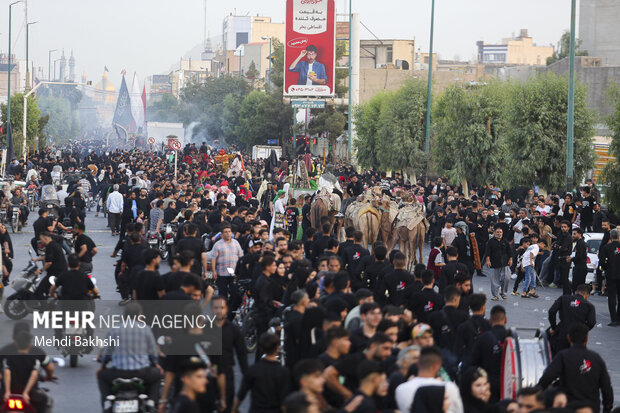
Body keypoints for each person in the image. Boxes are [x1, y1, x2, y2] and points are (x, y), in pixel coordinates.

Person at [538, 323, 613, 413]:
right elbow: (606, 387)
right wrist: (607, 408)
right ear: (587, 339)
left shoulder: (563, 356)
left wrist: (536, 392)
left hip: (567, 407)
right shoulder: (596, 358)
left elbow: (548, 377)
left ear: (569, 337)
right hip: (591, 407)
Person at [97, 303, 163, 406]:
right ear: (140, 315)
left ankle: (107, 402)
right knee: (158, 376)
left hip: (118, 373)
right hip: (142, 373)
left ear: (124, 316)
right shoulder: (146, 329)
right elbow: (153, 353)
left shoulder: (115, 329)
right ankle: (151, 401)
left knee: (101, 376)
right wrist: (156, 364)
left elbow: (106, 353)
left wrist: (102, 365)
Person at [231, 332, 290, 413]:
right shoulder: (283, 372)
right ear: (277, 348)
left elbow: (241, 394)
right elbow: (284, 399)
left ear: (261, 348)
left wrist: (235, 408)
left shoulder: (253, 370)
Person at [394, 346, 463, 413]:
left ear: (417, 364)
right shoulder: (448, 387)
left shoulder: (401, 389)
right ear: (437, 366)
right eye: (445, 398)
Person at [210, 296, 248, 413]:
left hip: (227, 374)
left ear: (226, 309)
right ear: (211, 309)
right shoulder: (205, 328)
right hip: (208, 376)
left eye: (221, 307)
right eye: (216, 308)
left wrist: (246, 378)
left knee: (226, 407)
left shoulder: (233, 330)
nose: (219, 310)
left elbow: (242, 355)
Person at [470, 305, 508, 402]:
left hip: (488, 381)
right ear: (505, 320)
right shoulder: (511, 337)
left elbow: (474, 361)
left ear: (490, 321)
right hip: (507, 382)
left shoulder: (483, 337)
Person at [548, 284, 596, 354]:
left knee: (558, 355)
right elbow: (591, 322)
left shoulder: (563, 298)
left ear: (575, 292)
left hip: (563, 332)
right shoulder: (589, 306)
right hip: (578, 336)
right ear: (587, 295)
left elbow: (552, 311)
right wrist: (584, 329)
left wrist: (553, 327)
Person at [33, 231, 68, 299]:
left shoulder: (50, 246)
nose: (40, 241)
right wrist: (37, 259)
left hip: (55, 274)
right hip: (60, 272)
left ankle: (44, 308)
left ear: (45, 239)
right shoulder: (54, 244)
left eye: (41, 239)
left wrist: (40, 270)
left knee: (39, 291)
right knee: (47, 291)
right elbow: (49, 257)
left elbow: (49, 263)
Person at [598, 229, 620, 326]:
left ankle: (614, 318)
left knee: (611, 297)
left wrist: (606, 268)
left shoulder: (606, 247)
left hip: (611, 274)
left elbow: (602, 261)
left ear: (611, 236)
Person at [484, 226, 512, 301]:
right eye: (497, 232)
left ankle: (503, 292)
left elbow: (509, 251)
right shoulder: (491, 241)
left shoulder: (505, 241)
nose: (499, 233)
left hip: (505, 263)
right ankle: (495, 295)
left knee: (507, 277)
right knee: (494, 280)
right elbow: (487, 252)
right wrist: (488, 260)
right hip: (494, 262)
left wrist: (510, 259)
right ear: (494, 233)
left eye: (500, 232)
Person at [572, 228, 589, 293]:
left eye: (574, 234)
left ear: (580, 234)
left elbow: (579, 256)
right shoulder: (580, 243)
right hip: (580, 267)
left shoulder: (580, 243)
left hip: (580, 268)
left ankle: (578, 301)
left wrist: (571, 259)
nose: (573, 236)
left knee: (577, 287)